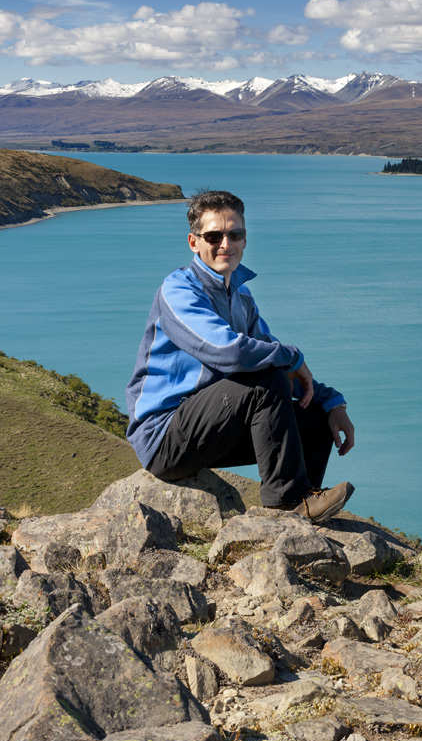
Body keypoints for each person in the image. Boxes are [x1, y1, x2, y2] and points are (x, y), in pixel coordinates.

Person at [126, 190, 355, 524]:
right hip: (166, 437)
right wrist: (291, 358)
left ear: (245, 240)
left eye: (234, 234)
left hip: (214, 425)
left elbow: (270, 354)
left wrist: (331, 402)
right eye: (214, 235)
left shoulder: (241, 297)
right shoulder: (178, 291)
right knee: (266, 376)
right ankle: (288, 500)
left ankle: (305, 509)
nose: (225, 243)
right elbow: (228, 352)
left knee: (314, 418)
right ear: (194, 242)